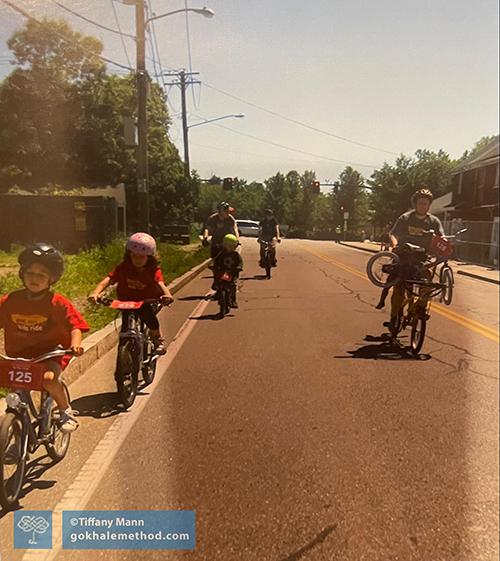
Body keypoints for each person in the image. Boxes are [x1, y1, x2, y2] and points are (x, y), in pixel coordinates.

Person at [0, 243, 89, 432]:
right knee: (13, 385)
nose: (34, 278)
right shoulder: (10, 301)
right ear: (22, 274)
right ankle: (16, 422)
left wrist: (75, 344)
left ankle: (65, 410)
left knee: (49, 380)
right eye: (30, 273)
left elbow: (75, 326)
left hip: (50, 353)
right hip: (18, 354)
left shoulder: (58, 303)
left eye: (41, 275)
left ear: (52, 279)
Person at [90, 233, 173, 354]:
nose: (137, 260)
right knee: (125, 326)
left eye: (142, 257)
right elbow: (107, 281)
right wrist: (95, 293)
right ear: (129, 255)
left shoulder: (153, 270)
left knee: (149, 317)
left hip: (145, 301)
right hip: (126, 302)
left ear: (149, 257)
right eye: (134, 256)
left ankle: (157, 339)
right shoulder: (123, 267)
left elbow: (161, 284)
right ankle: (124, 351)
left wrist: (167, 295)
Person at [379, 188, 445, 326]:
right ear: (415, 204)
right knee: (398, 287)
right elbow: (393, 234)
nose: (423, 206)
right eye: (420, 203)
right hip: (404, 255)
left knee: (427, 283)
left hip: (422, 258)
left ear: (429, 205)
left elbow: (440, 238)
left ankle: (418, 309)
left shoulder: (434, 221)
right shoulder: (405, 218)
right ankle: (394, 317)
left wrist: (443, 246)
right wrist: (395, 244)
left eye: (426, 203)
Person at [212, 234, 243, 308]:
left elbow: (240, 262)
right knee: (218, 280)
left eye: (232, 246)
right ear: (224, 245)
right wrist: (214, 266)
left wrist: (239, 267)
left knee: (233, 285)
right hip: (223, 272)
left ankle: (233, 300)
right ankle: (217, 291)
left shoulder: (235, 255)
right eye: (227, 245)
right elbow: (216, 260)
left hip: (232, 272)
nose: (229, 247)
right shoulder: (221, 254)